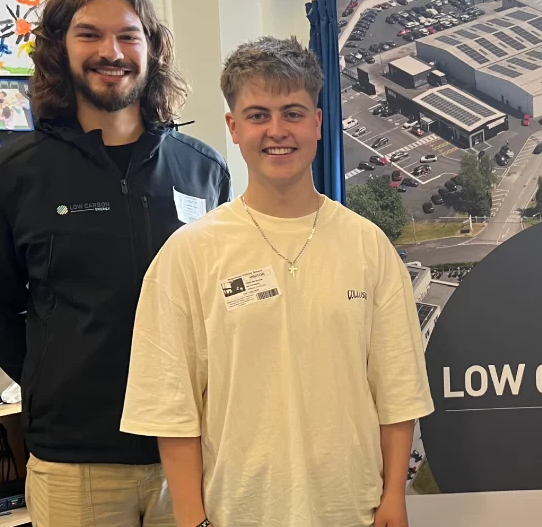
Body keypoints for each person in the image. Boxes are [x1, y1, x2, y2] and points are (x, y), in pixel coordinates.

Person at [119, 36, 434, 527]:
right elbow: (171, 407)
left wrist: (394, 495)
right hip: (235, 512)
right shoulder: (189, 254)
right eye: (258, 115)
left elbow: (397, 389)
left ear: (317, 122)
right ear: (234, 127)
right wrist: (192, 519)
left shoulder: (367, 247)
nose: (276, 131)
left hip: (353, 509)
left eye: (292, 112)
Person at [0, 0, 231, 525]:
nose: (112, 51)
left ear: (152, 49)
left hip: (192, 450)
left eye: (128, 36)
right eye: (90, 34)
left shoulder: (202, 168)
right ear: (59, 49)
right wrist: (52, 375)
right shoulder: (9, 175)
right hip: (74, 462)